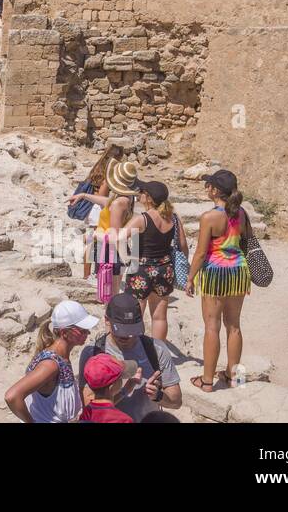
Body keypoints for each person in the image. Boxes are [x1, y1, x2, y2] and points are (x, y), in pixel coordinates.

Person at [185, 168, 250, 392]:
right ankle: (235, 379)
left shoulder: (209, 217)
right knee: (234, 326)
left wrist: (190, 278)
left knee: (211, 327)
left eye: (209, 185)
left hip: (216, 273)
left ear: (214, 190)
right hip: (239, 272)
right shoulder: (241, 214)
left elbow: (201, 253)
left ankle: (207, 381)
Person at [78, 292, 183, 421]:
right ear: (107, 320)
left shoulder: (156, 349)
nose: (127, 336)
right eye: (121, 331)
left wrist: (158, 395)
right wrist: (123, 392)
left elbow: (176, 401)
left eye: (131, 331)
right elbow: (88, 406)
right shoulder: (93, 353)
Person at [4, 300, 98, 423]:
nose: (88, 333)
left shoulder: (61, 357)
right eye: (82, 330)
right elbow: (12, 396)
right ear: (64, 333)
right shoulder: (50, 365)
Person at [122, 180, 188, 340]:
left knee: (136, 314)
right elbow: (183, 246)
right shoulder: (174, 218)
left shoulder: (142, 219)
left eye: (142, 192)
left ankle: (136, 350)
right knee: (159, 316)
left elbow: (120, 237)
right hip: (165, 268)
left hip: (141, 269)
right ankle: (160, 353)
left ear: (149, 198)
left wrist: (126, 257)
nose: (139, 194)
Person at [70, 159, 139, 296]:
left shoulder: (119, 202)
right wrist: (83, 195)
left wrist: (93, 236)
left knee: (108, 295)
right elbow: (106, 201)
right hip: (117, 251)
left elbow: (115, 237)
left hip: (111, 252)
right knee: (109, 292)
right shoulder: (125, 198)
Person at [79, 354, 136, 423]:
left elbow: (103, 408)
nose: (121, 380)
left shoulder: (85, 414)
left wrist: (124, 391)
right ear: (112, 386)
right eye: (120, 378)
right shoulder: (124, 420)